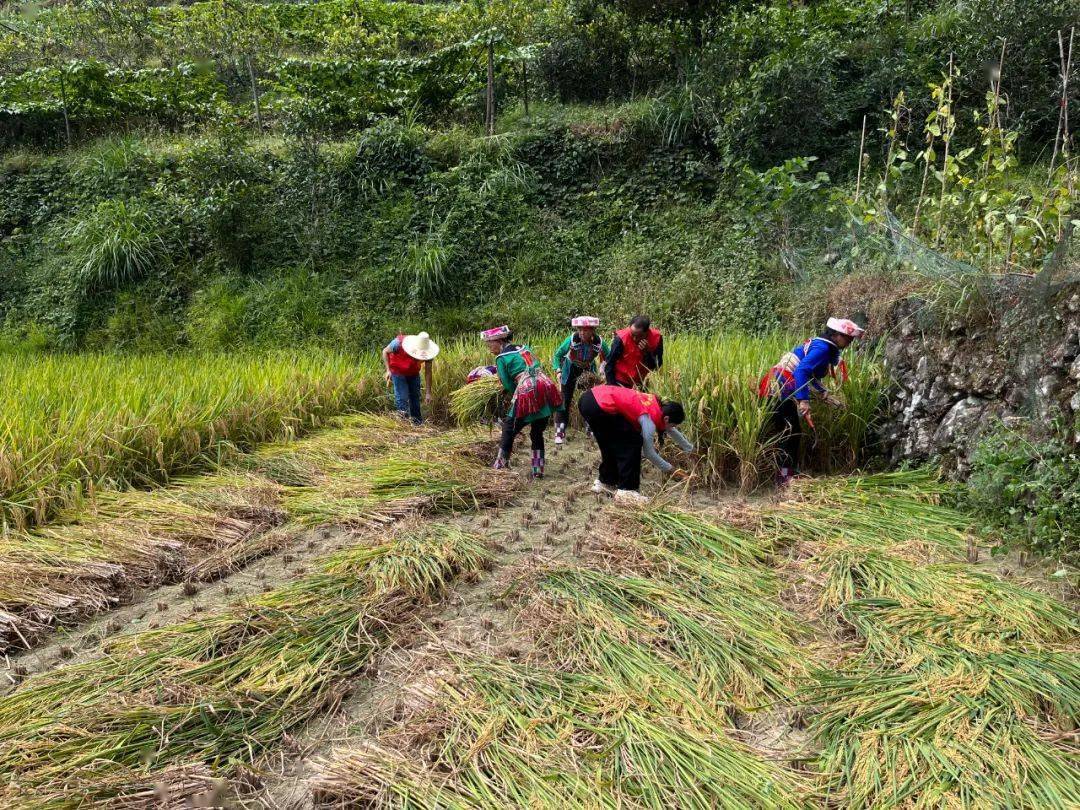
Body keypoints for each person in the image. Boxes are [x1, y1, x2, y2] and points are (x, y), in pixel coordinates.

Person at [759, 317, 865, 486]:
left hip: (777, 386)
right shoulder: (822, 348)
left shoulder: (822, 346)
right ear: (836, 335)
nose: (850, 342)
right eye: (848, 338)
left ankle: (785, 474)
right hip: (779, 388)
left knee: (790, 433)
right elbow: (801, 371)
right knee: (790, 433)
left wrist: (826, 396)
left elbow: (809, 377)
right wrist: (803, 401)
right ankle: (783, 479)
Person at [579, 384, 693, 503]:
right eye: (673, 425)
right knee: (632, 441)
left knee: (610, 444)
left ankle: (606, 482)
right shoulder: (648, 420)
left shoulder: (654, 406)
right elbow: (649, 453)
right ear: (667, 419)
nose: (671, 428)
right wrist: (672, 470)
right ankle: (627, 491)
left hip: (589, 399)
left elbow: (670, 429)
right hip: (601, 404)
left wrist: (690, 449)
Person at [482, 325, 562, 478]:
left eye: (490, 343)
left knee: (508, 429)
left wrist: (515, 395)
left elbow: (507, 383)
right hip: (545, 385)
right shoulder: (524, 348)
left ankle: (500, 465)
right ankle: (538, 470)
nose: (489, 347)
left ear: (499, 341)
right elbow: (535, 365)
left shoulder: (501, 358)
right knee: (537, 432)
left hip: (528, 389)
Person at [552, 316, 609, 445]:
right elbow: (557, 355)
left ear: (593, 331)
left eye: (586, 330)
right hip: (570, 369)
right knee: (565, 401)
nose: (582, 333)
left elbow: (609, 357)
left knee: (592, 400)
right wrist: (558, 371)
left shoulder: (599, 342)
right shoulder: (572, 340)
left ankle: (591, 428)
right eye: (580, 330)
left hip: (588, 370)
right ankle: (560, 432)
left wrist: (604, 371)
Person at [382, 331, 438, 424]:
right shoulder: (398, 344)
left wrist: (428, 393)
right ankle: (403, 423)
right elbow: (384, 351)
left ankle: (417, 422)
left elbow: (428, 372)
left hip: (413, 372)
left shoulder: (429, 353)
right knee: (402, 397)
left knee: (415, 396)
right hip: (398, 371)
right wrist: (388, 370)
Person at [605, 315, 663, 389]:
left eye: (639, 336)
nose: (634, 339)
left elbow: (656, 366)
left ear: (647, 332)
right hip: (621, 381)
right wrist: (612, 386)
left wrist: (647, 352)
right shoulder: (621, 338)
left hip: (642, 382)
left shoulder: (656, 338)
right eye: (632, 335)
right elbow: (610, 363)